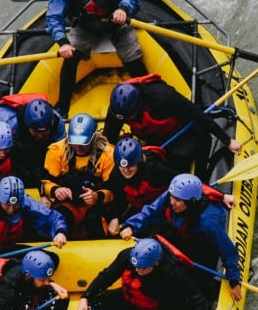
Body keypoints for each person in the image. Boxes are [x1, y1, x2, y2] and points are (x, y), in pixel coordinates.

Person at [45, 0, 147, 116]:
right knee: (70, 60)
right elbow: (54, 16)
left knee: (132, 58)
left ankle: (148, 98)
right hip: (86, 26)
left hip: (116, 22)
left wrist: (123, 8)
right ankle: (63, 109)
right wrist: (62, 42)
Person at [119, 173, 242, 302]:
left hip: (202, 247)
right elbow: (151, 211)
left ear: (191, 202)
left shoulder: (207, 222)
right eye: (172, 197)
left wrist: (234, 281)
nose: (172, 202)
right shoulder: (171, 197)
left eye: (177, 200)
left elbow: (227, 251)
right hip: (180, 233)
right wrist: (131, 226)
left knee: (198, 282)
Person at [77, 238, 209, 310]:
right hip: (133, 298)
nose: (137, 270)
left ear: (156, 263)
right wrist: (85, 297)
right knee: (96, 304)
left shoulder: (172, 274)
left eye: (142, 268)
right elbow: (107, 276)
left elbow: (199, 302)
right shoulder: (128, 256)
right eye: (135, 266)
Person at [102, 77, 242, 173]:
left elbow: (196, 114)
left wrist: (227, 140)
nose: (126, 119)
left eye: (129, 116)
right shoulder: (118, 109)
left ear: (138, 106)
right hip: (153, 139)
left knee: (178, 158)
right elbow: (109, 137)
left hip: (182, 130)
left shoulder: (162, 97)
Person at [104, 137, 235, 235]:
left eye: (130, 166)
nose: (126, 170)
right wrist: (114, 216)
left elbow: (187, 182)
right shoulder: (116, 176)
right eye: (122, 166)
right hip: (144, 210)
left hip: (168, 206)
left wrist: (221, 196)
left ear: (138, 162)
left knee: (173, 231)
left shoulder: (156, 170)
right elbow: (119, 198)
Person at [41, 113, 116, 239]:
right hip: (68, 204)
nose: (78, 147)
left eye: (83, 143)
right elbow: (45, 183)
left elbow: (113, 191)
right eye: (75, 142)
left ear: (93, 137)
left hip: (95, 205)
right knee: (62, 217)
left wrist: (96, 196)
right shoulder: (56, 151)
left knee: (93, 219)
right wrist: (56, 190)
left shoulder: (108, 154)